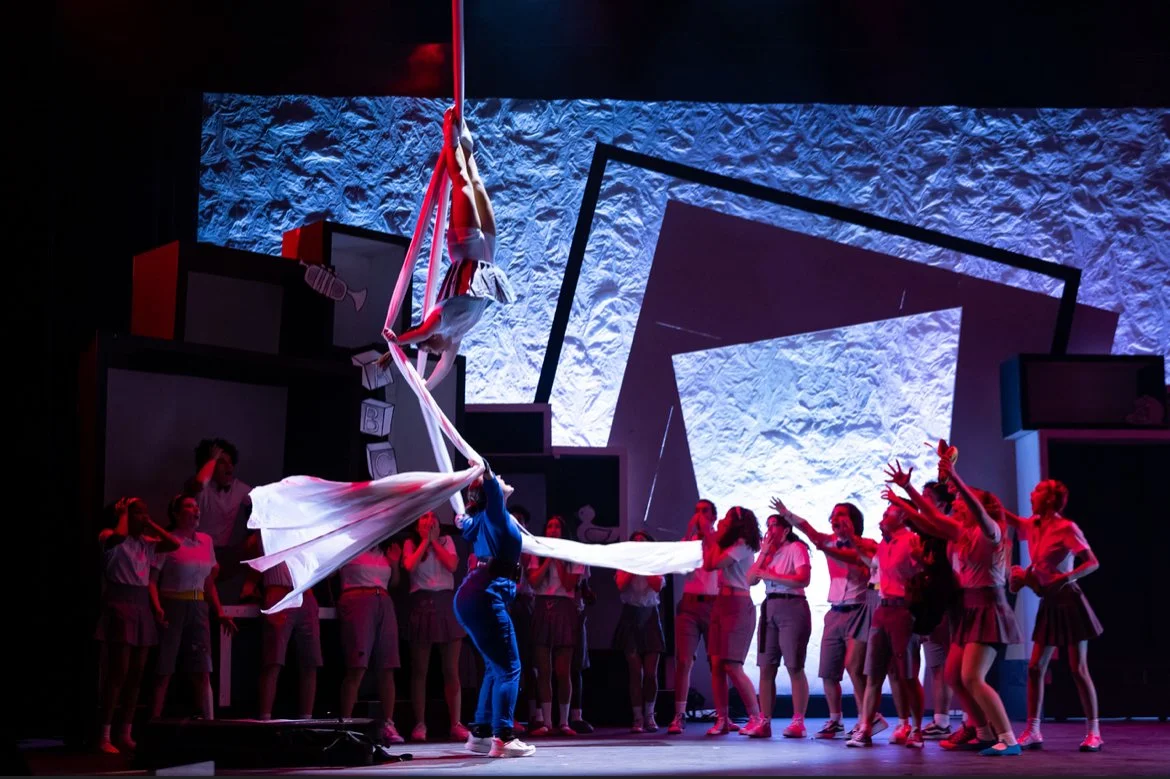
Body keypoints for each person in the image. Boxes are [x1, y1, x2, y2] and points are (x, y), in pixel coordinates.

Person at [886, 454, 1024, 756]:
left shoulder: (992, 532)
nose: (957, 504)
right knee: (952, 675)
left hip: (989, 607)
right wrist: (908, 491)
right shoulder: (963, 533)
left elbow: (973, 508)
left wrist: (955, 477)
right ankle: (984, 731)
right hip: (969, 607)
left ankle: (1008, 739)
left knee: (972, 676)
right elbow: (931, 520)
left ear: (980, 507)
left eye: (964, 501)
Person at [382, 108, 515, 389]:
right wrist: (425, 388)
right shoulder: (455, 335)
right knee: (476, 183)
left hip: (465, 247)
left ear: (432, 340)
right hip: (487, 254)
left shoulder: (437, 322)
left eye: (432, 349)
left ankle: (451, 139)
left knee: (463, 184)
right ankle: (466, 146)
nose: (439, 352)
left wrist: (394, 347)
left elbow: (416, 334)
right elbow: (445, 367)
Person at [774, 498, 889, 740]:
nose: (836, 519)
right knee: (828, 671)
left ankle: (866, 718)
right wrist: (787, 513)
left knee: (855, 667)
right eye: (834, 515)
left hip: (859, 610)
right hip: (835, 611)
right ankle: (835, 720)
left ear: (854, 521)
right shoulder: (829, 541)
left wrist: (827, 547)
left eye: (842, 515)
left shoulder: (868, 544)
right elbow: (809, 530)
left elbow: (857, 560)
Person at [1005, 480, 1104, 752]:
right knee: (1036, 667)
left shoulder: (1066, 528)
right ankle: (1033, 729)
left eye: (1036, 492)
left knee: (1078, 668)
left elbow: (1092, 562)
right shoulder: (1033, 525)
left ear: (1049, 500)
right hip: (1049, 602)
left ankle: (1094, 731)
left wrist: (1065, 578)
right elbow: (1004, 515)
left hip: (1069, 600)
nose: (1030, 494)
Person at [453, 466, 536, 758]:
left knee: (494, 666)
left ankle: (481, 734)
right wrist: (484, 469)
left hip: (473, 595)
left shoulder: (478, 520)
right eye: (496, 480)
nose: (502, 478)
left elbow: (465, 519)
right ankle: (503, 736)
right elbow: (488, 489)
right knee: (510, 668)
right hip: (484, 597)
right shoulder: (495, 515)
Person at [95, 498, 181, 753]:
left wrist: (151, 523)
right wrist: (123, 515)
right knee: (118, 671)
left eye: (146, 511)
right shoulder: (109, 535)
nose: (144, 516)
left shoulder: (146, 543)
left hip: (141, 604)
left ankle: (126, 731)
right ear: (124, 515)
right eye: (139, 512)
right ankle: (105, 734)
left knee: (137, 673)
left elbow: (173, 543)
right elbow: (118, 538)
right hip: (120, 603)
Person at [840, 502, 926, 749]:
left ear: (902, 516)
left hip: (903, 610)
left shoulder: (912, 541)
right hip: (882, 608)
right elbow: (873, 565)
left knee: (907, 674)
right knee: (873, 673)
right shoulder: (885, 544)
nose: (882, 516)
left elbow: (921, 571)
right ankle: (865, 727)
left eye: (888, 512)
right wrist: (853, 540)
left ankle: (916, 728)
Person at [149, 494, 236, 720]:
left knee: (203, 668)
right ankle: (154, 725)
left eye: (196, 506)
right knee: (164, 668)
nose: (195, 509)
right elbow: (152, 579)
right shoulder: (168, 541)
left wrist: (219, 611)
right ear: (176, 513)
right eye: (189, 506)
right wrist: (157, 607)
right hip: (173, 604)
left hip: (198, 606)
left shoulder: (206, 541)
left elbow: (208, 582)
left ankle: (209, 723)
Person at [240, 532, 323, 724]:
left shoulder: (304, 531)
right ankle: (266, 718)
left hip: (306, 593)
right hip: (278, 591)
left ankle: (307, 720)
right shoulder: (267, 532)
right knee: (274, 659)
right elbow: (250, 546)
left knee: (311, 660)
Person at [403, 511, 469, 742]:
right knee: (420, 670)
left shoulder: (447, 541)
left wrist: (434, 542)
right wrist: (424, 542)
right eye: (423, 517)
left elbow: (452, 565)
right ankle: (420, 724)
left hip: (446, 603)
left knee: (451, 669)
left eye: (432, 517)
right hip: (421, 603)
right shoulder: (410, 544)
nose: (429, 521)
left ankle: (456, 723)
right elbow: (409, 566)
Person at [336, 538, 406, 744]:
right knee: (357, 666)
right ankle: (345, 725)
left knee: (388, 666)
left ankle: (388, 723)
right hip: (357, 600)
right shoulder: (349, 545)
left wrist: (394, 563)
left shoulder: (383, 550)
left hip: (383, 600)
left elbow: (393, 582)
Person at [748, 514, 812, 739]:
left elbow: (803, 579)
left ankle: (798, 722)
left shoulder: (797, 548)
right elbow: (750, 580)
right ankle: (764, 721)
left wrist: (772, 575)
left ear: (785, 530)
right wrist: (764, 552)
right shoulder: (769, 552)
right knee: (766, 667)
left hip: (792, 604)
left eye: (774, 525)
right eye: (767, 525)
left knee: (794, 666)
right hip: (769, 606)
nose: (769, 529)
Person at [704, 507, 764, 736]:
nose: (723, 521)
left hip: (738, 605)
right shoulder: (728, 543)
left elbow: (714, 563)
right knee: (717, 664)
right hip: (721, 601)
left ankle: (756, 718)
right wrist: (715, 538)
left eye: (728, 518)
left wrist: (714, 537)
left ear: (738, 522)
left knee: (732, 665)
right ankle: (723, 719)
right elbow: (709, 561)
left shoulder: (742, 544)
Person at [526, 516, 585, 736]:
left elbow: (570, 583)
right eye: (549, 526)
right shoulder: (537, 553)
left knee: (563, 670)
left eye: (557, 526)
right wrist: (548, 558)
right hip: (542, 606)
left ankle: (564, 722)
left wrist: (558, 558)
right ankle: (547, 722)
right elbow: (534, 582)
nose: (553, 530)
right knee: (543, 669)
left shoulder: (573, 553)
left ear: (563, 531)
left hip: (564, 608)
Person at [667, 499, 721, 735]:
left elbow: (716, 560)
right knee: (684, 661)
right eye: (696, 511)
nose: (699, 516)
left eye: (704, 512)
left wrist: (706, 532)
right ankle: (679, 715)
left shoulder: (719, 539)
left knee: (716, 662)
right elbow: (681, 567)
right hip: (689, 604)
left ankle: (722, 715)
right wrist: (690, 533)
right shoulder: (686, 543)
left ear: (713, 517)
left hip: (713, 604)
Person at [613, 531, 666, 733]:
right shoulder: (625, 562)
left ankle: (650, 715)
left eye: (642, 541)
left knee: (651, 672)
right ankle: (637, 718)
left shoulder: (657, 563)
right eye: (635, 542)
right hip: (630, 614)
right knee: (635, 672)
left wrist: (646, 563)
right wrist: (634, 564)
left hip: (650, 615)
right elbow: (620, 584)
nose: (638, 544)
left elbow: (657, 585)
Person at [186, 439, 251, 602]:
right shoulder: (199, 485)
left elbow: (265, 502)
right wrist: (213, 459)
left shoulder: (239, 488)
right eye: (222, 463)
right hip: (195, 550)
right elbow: (199, 483)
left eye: (231, 463)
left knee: (258, 542)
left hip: (221, 554)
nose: (229, 468)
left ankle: (250, 590)